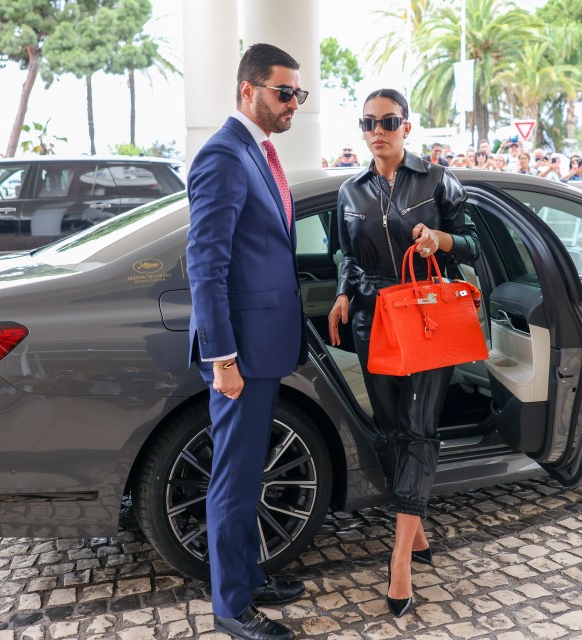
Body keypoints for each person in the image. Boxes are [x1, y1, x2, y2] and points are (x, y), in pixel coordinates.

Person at [327, 88, 481, 619]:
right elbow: (346, 254)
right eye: (368, 122)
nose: (378, 130)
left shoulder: (438, 179)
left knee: (418, 427)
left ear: (406, 127)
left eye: (388, 121)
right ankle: (414, 531)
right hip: (375, 319)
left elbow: (475, 243)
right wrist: (345, 293)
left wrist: (441, 239)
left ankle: (399, 561)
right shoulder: (350, 191)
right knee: (391, 427)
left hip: (428, 314)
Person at [185, 43, 309, 640]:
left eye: (297, 94)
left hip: (266, 344)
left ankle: (249, 573)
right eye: (283, 92)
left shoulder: (257, 152)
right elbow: (205, 265)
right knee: (233, 479)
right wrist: (222, 358)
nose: (293, 104)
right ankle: (232, 606)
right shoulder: (224, 156)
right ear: (247, 90)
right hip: (241, 354)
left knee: (249, 473)